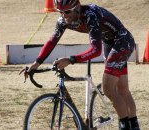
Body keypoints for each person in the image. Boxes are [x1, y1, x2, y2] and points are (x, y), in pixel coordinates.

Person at [20, 0, 140, 129]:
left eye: (67, 11)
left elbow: (95, 50)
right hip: (109, 43)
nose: (64, 15)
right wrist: (36, 63)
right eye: (60, 12)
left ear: (77, 7)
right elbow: (52, 41)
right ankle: (134, 125)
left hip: (122, 40)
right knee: (122, 90)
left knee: (109, 88)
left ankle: (126, 126)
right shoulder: (63, 21)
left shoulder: (90, 15)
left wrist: (71, 59)